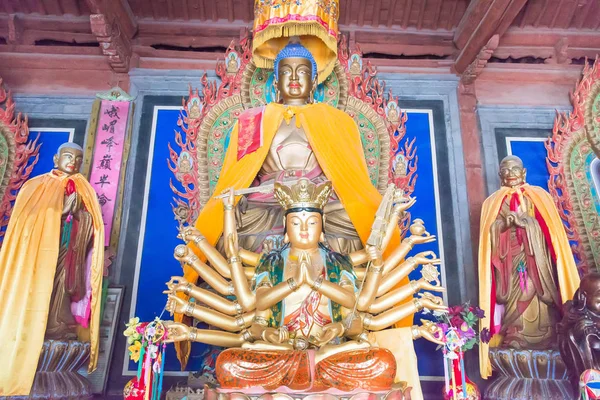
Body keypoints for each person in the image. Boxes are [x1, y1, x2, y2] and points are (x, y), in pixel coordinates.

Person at [165, 179, 445, 392]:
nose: (303, 229)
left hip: (332, 351)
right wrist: (284, 300)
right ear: (285, 230)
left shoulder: (338, 263)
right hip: (281, 354)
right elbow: (258, 312)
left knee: (382, 361)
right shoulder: (271, 263)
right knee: (229, 363)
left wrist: (319, 287)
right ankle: (306, 374)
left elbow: (354, 312)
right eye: (295, 222)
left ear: (322, 228)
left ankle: (309, 373)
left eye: (311, 222)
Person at [0, 142, 104, 396]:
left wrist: (79, 214)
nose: (73, 163)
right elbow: (26, 225)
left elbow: (93, 227)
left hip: (70, 255)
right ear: (56, 158)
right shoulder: (35, 187)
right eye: (68, 156)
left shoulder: (84, 189)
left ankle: (57, 322)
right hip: (39, 257)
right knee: (40, 289)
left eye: (78, 159)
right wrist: (59, 211)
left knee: (62, 290)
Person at [478, 155, 580, 379]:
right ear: (500, 176)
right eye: (505, 170)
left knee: (536, 290)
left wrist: (527, 223)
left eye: (514, 169)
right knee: (516, 295)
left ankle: (548, 333)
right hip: (510, 259)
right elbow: (491, 234)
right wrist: (505, 224)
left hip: (536, 256)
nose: (510, 173)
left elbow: (550, 233)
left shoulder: (538, 197)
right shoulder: (494, 202)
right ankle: (516, 333)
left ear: (524, 172)